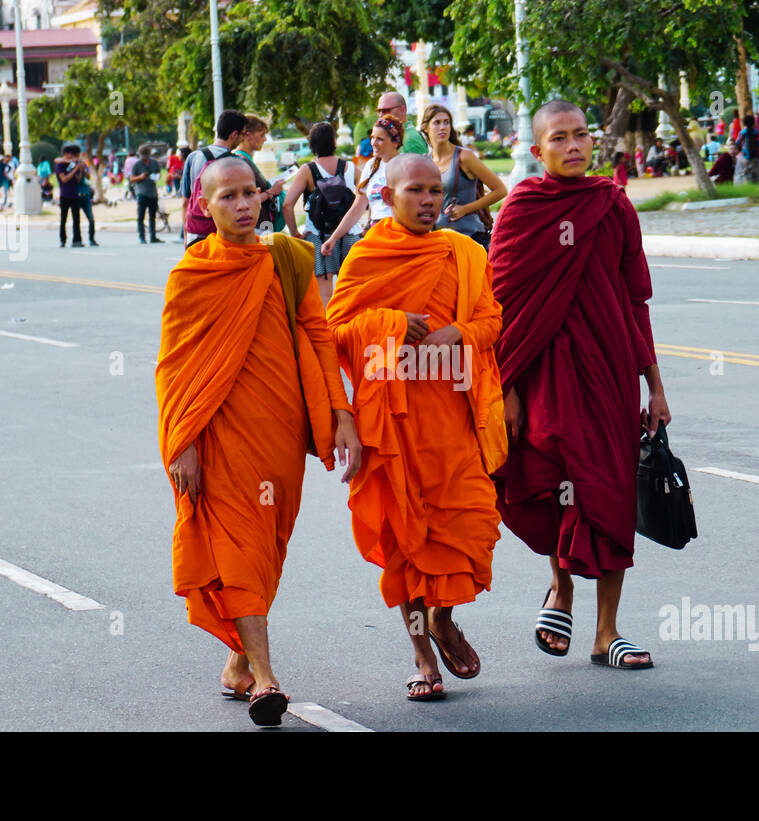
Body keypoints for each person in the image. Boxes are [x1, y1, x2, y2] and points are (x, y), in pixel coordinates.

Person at [157, 156, 361, 726]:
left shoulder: (288, 259)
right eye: (229, 197)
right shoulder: (192, 275)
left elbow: (319, 336)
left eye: (251, 193)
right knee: (240, 545)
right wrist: (183, 444)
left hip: (279, 431)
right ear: (203, 206)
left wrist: (341, 412)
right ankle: (266, 680)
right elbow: (174, 368)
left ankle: (239, 662)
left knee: (267, 547)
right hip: (218, 435)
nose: (244, 204)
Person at [489, 100, 671, 671]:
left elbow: (635, 299)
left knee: (611, 490)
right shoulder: (523, 208)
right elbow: (502, 306)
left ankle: (607, 630)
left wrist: (655, 387)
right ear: (538, 150)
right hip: (545, 374)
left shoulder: (611, 205)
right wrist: (508, 387)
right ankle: (561, 589)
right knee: (553, 479)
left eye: (581, 136)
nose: (573, 146)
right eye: (559, 138)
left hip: (610, 372)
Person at [325, 154, 505, 701]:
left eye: (434, 191)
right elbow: (333, 330)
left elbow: (492, 319)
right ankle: (424, 654)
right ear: (388, 197)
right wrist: (394, 323)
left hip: (452, 418)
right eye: (415, 191)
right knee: (404, 538)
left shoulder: (464, 252)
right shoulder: (368, 257)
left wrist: (461, 334)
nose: (427, 201)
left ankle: (445, 617)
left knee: (470, 524)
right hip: (392, 425)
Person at [283, 121, 362, 307]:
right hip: (350, 234)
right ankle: (348, 330)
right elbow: (366, 196)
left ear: (311, 144)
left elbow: (287, 205)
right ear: (334, 141)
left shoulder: (307, 170)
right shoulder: (350, 167)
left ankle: (328, 333)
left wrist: (295, 233)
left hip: (318, 237)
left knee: (324, 293)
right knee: (351, 290)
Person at [422, 103, 507, 251]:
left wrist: (465, 209)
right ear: (425, 128)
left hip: (470, 238)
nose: (442, 127)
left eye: (446, 122)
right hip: (439, 241)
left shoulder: (464, 156)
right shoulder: (425, 161)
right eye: (437, 123)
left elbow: (500, 190)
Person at [321, 114, 404, 257]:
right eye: (373, 137)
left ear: (395, 142)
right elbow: (357, 208)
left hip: (400, 236)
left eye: (380, 139)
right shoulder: (371, 166)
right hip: (376, 234)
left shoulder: (407, 165)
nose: (373, 143)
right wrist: (334, 238)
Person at [180, 109, 251, 244]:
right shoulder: (237, 163)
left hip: (196, 230)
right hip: (222, 232)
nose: (244, 138)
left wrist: (186, 234)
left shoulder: (193, 157)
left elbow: (186, 201)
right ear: (234, 134)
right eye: (243, 134)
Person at [233, 115, 286, 232]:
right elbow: (244, 199)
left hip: (263, 224)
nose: (265, 139)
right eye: (262, 135)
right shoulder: (241, 162)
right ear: (247, 135)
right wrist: (271, 192)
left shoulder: (244, 159)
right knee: (266, 249)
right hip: (258, 227)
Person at [56, 145, 91, 248]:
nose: (73, 157)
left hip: (74, 194)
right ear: (66, 154)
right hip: (64, 195)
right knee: (63, 219)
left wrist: (80, 170)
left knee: (76, 219)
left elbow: (77, 179)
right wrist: (76, 169)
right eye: (72, 154)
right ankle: (63, 240)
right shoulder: (59, 166)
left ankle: (77, 240)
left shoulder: (70, 165)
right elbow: (64, 179)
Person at [130, 145, 163, 244]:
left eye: (146, 156)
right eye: (143, 157)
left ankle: (153, 236)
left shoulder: (154, 163)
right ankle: (142, 237)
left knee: (152, 216)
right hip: (142, 193)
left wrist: (156, 176)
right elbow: (132, 178)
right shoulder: (137, 165)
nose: (145, 159)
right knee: (141, 216)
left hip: (153, 193)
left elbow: (159, 173)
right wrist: (141, 177)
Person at [738, 114, 759, 184]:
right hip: (755, 157)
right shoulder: (756, 132)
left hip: (745, 156)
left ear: (744, 123)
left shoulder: (742, 133)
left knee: (746, 174)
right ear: (753, 122)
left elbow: (738, 142)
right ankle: (756, 190)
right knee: (756, 175)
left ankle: (748, 188)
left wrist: (740, 150)